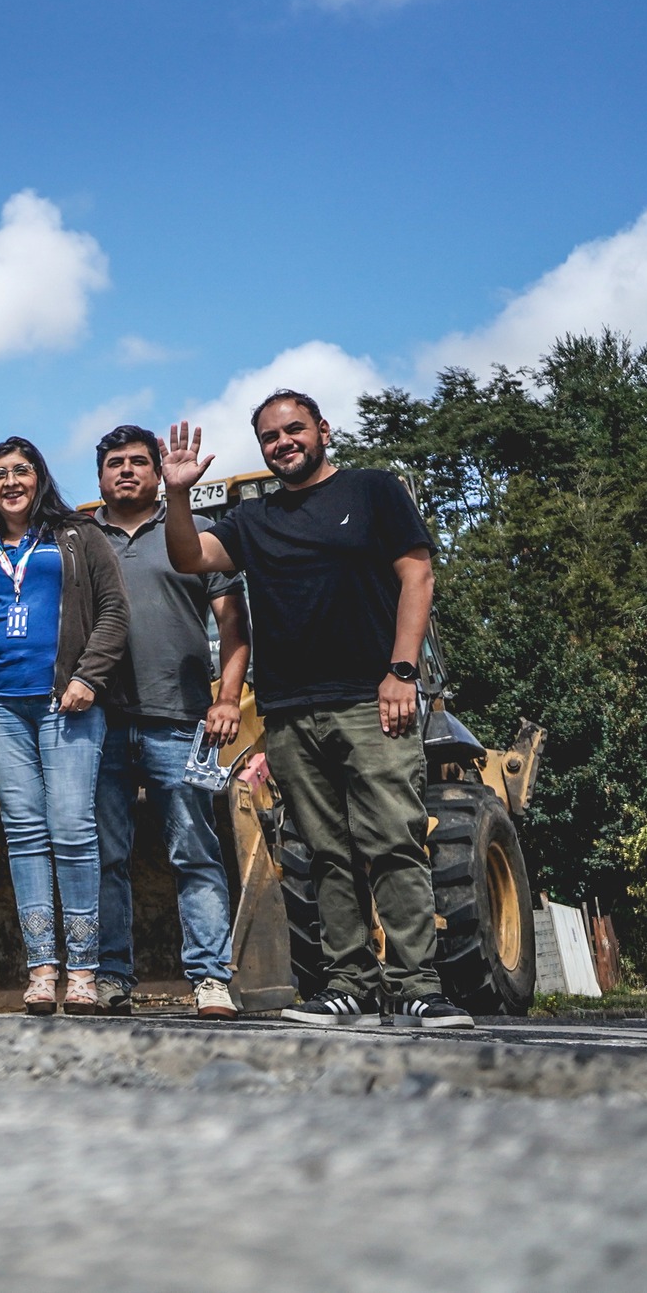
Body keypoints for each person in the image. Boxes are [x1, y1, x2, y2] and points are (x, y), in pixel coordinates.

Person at [160, 392, 473, 1028]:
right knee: (326, 852)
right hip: (289, 711)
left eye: (294, 429)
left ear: (323, 430)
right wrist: (177, 495)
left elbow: (417, 577)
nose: (283, 443)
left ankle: (417, 986)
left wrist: (402, 672)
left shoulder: (372, 491)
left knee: (393, 841)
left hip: (370, 699)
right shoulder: (253, 519)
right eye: (270, 437)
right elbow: (189, 558)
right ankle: (348, 985)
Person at [0, 437, 128, 1015]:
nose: (10, 481)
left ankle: (83, 971)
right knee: (24, 835)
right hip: (1, 708)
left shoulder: (78, 536)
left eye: (21, 470)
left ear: (40, 477)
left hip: (67, 701)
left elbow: (114, 611)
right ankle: (41, 970)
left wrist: (89, 676)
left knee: (73, 828)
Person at [90, 425, 250, 1020]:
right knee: (105, 856)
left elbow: (234, 626)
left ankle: (210, 978)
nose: (126, 471)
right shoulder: (79, 541)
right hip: (98, 725)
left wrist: (227, 697)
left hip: (181, 721)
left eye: (138, 461)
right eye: (115, 463)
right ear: (100, 476)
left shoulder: (195, 533)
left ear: (158, 474)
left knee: (194, 853)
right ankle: (110, 977)